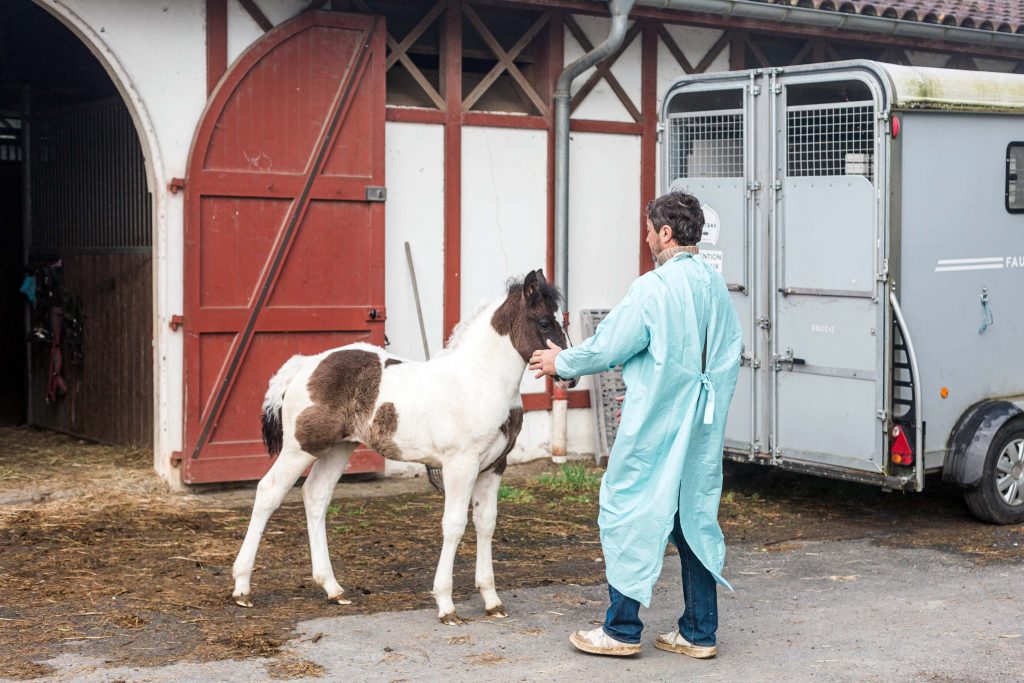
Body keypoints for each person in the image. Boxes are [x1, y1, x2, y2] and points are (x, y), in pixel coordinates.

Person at [529, 191, 742, 658]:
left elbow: (609, 346)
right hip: (700, 429)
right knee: (692, 519)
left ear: (665, 233)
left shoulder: (653, 287)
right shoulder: (715, 286)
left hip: (655, 429)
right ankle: (698, 633)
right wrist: (681, 398)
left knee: (626, 511)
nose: (646, 239)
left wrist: (561, 361)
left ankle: (621, 630)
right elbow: (726, 359)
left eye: (648, 231)